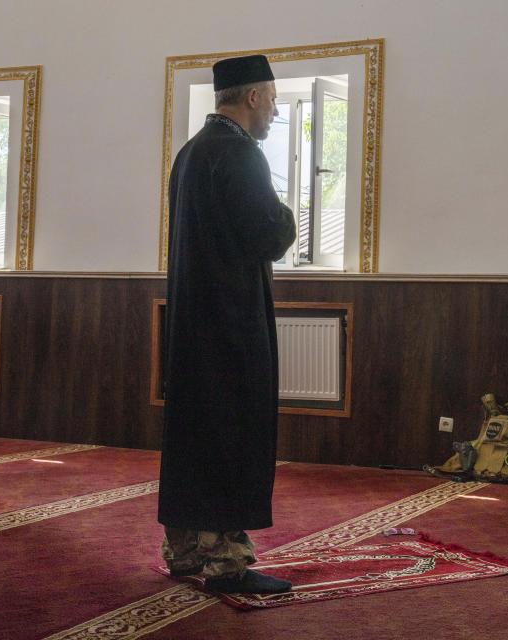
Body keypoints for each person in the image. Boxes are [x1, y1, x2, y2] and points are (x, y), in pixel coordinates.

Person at [158, 54, 296, 594]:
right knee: (232, 430)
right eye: (274, 101)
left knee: (194, 430)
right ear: (254, 96)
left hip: (193, 321)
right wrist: (287, 213)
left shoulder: (191, 153)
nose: (275, 113)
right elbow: (269, 235)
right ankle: (227, 563)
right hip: (232, 323)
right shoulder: (240, 155)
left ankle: (185, 549)